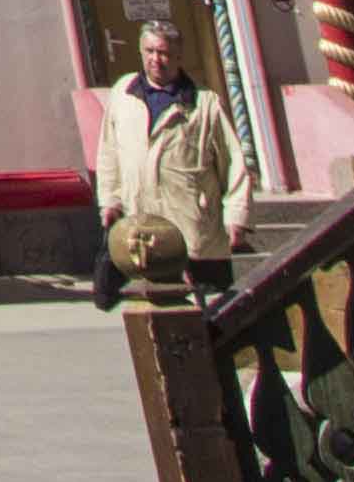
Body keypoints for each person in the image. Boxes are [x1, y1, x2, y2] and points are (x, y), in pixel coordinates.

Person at [91, 18, 246, 305]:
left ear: (177, 56)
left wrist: (236, 215)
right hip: (140, 225)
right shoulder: (124, 94)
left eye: (163, 53)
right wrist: (109, 200)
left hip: (190, 224)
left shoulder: (204, 104)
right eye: (149, 51)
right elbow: (109, 152)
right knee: (152, 303)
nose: (155, 60)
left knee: (204, 308)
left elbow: (233, 161)